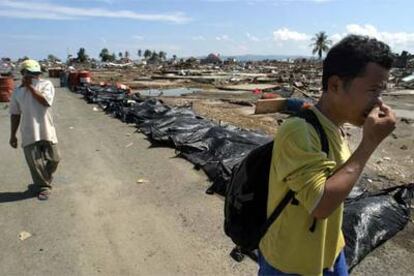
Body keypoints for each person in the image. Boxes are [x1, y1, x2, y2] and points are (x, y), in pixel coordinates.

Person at [258, 35, 396, 275]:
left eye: (382, 90)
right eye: (373, 90)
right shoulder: (298, 131)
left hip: (330, 253)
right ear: (335, 85)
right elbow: (320, 205)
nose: (379, 101)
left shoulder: (334, 125)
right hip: (291, 264)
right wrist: (370, 142)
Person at [9, 59, 60, 201]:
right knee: (35, 164)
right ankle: (43, 187)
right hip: (29, 132)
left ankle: (44, 178)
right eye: (30, 74)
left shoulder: (46, 85)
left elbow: (45, 101)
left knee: (55, 159)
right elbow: (15, 114)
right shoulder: (17, 92)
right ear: (23, 74)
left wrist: (30, 88)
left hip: (47, 130)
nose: (34, 77)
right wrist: (13, 135)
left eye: (36, 74)